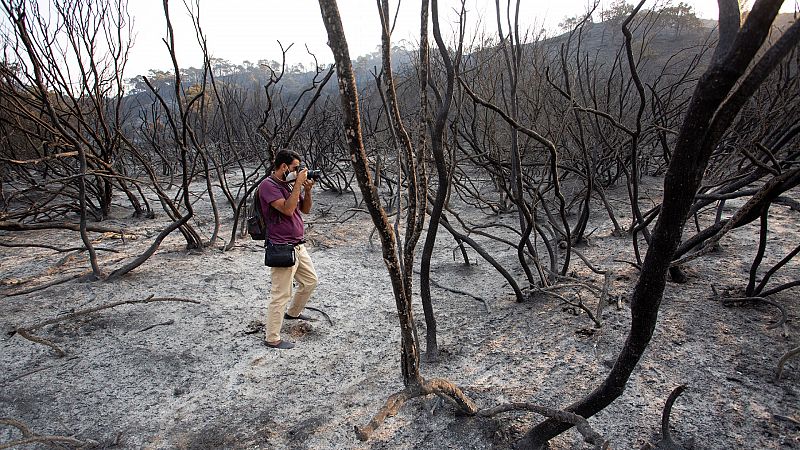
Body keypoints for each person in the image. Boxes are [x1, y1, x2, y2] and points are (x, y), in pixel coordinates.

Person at [259, 149, 318, 349]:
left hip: (298, 245)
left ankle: (293, 313)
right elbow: (287, 209)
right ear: (284, 166)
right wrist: (298, 184)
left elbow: (305, 210)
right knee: (281, 294)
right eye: (295, 168)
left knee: (310, 282)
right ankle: (272, 338)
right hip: (281, 247)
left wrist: (306, 190)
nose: (298, 171)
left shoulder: (289, 185)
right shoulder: (268, 185)